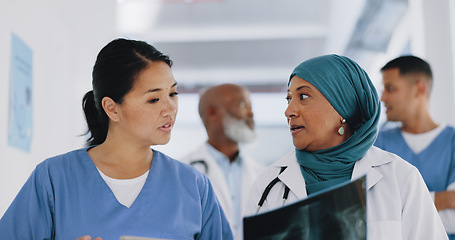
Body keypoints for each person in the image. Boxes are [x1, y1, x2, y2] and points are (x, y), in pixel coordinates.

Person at [0, 38, 233, 240]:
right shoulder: (54, 179)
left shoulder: (194, 187)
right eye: (154, 100)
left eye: (173, 94)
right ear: (112, 109)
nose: (170, 109)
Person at [244, 54, 448, 239]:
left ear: (343, 106)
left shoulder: (400, 177)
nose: (289, 111)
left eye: (303, 97)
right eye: (288, 98)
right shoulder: (268, 185)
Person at [374, 55, 455, 239]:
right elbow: (375, 214)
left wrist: (401, 208)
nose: (383, 97)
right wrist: (444, 199)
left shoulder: (452, 141)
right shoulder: (378, 143)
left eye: (390, 88)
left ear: (420, 89)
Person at [181, 83, 263, 236]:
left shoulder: (262, 173)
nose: (251, 113)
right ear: (212, 113)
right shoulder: (182, 173)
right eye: (242, 104)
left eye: (251, 106)